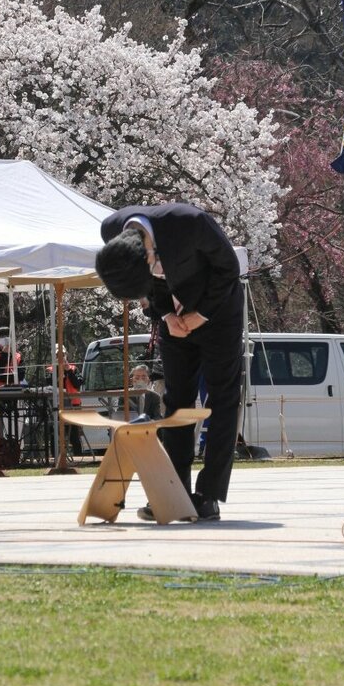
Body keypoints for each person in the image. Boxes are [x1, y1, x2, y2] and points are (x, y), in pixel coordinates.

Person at [95, 202, 243, 522]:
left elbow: (228, 268)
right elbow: (146, 287)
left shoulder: (190, 223)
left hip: (217, 313)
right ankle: (173, 492)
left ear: (150, 253)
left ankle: (209, 494)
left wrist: (200, 314)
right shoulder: (112, 231)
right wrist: (164, 314)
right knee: (176, 400)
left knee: (221, 399)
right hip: (173, 319)